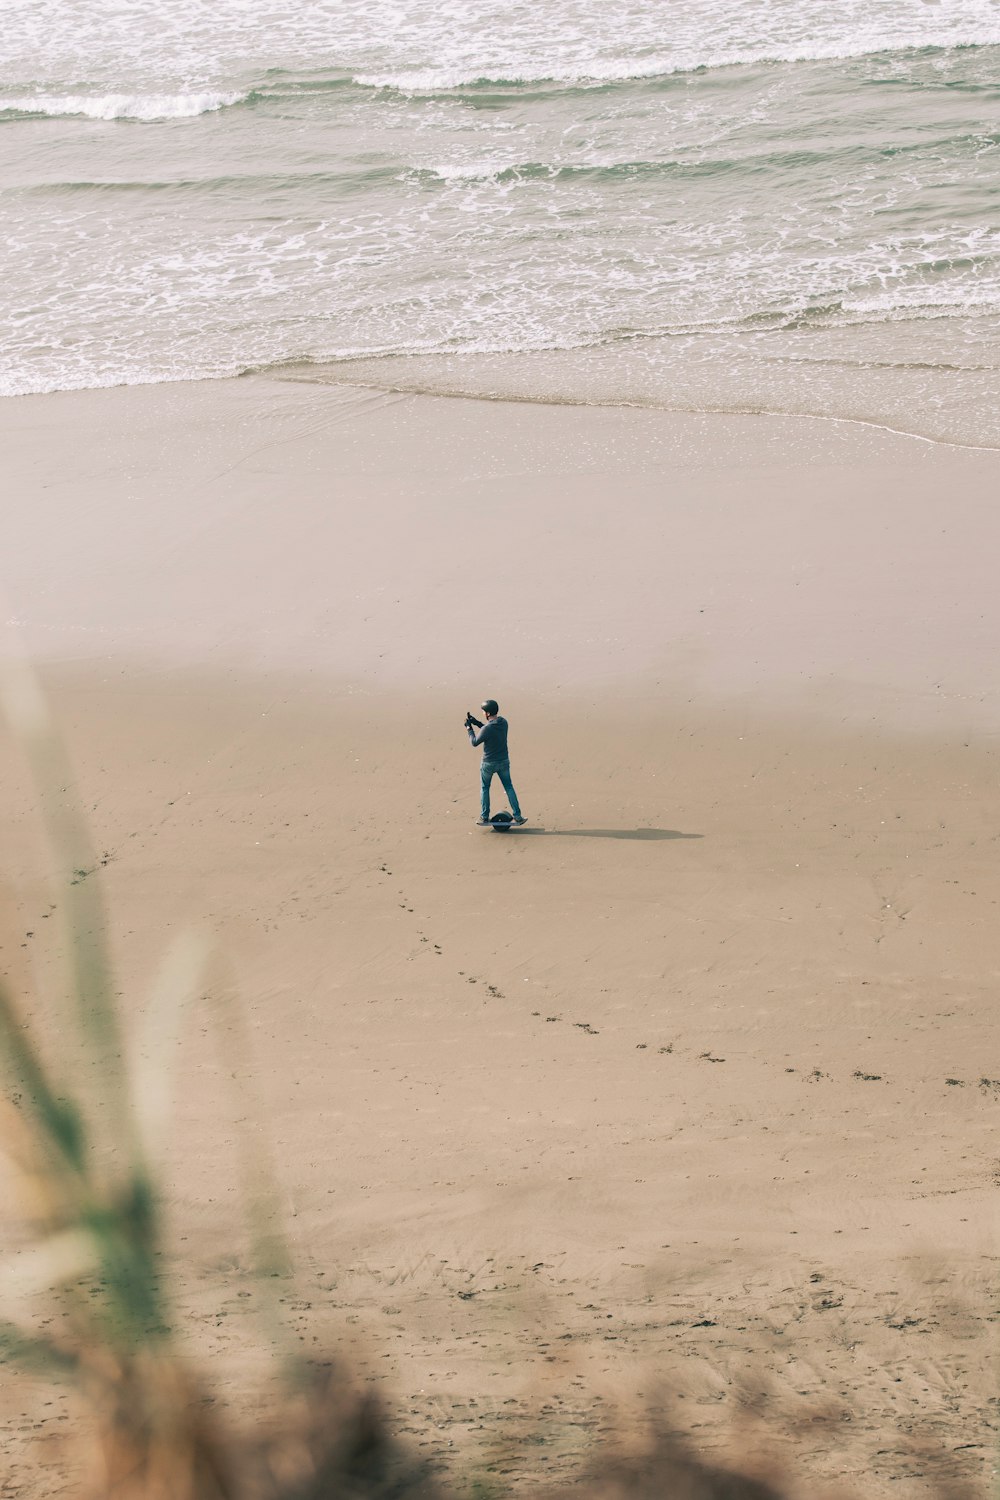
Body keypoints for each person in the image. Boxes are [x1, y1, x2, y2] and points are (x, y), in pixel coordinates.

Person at [466, 699, 525, 826]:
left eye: (483, 712)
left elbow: (474, 742)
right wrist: (476, 722)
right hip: (503, 761)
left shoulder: (487, 728)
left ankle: (484, 817)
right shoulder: (504, 722)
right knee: (509, 787)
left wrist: (469, 728)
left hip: (488, 764)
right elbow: (488, 730)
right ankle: (518, 816)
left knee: (485, 788)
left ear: (487, 713)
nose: (482, 713)